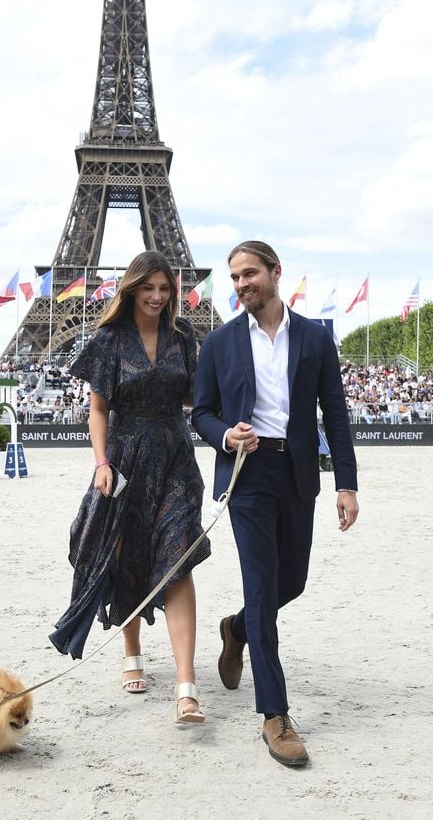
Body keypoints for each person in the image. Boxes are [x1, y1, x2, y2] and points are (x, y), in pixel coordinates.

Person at [192, 240, 359, 766]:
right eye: (235, 277)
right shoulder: (218, 343)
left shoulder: (314, 338)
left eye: (249, 274)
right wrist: (226, 435)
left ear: (274, 273)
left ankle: (235, 628)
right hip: (248, 474)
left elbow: (334, 411)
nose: (241, 284)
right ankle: (275, 714)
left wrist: (346, 485)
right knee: (263, 587)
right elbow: (201, 413)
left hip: (297, 471)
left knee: (293, 583)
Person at [50, 251, 209, 724]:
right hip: (123, 458)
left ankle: (186, 686)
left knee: (178, 557)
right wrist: (100, 461)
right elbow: (98, 409)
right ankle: (133, 649)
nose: (158, 297)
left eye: (165, 288)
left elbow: (195, 396)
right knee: (127, 552)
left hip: (175, 455)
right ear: (132, 289)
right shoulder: (108, 339)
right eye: (149, 288)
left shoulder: (184, 337)